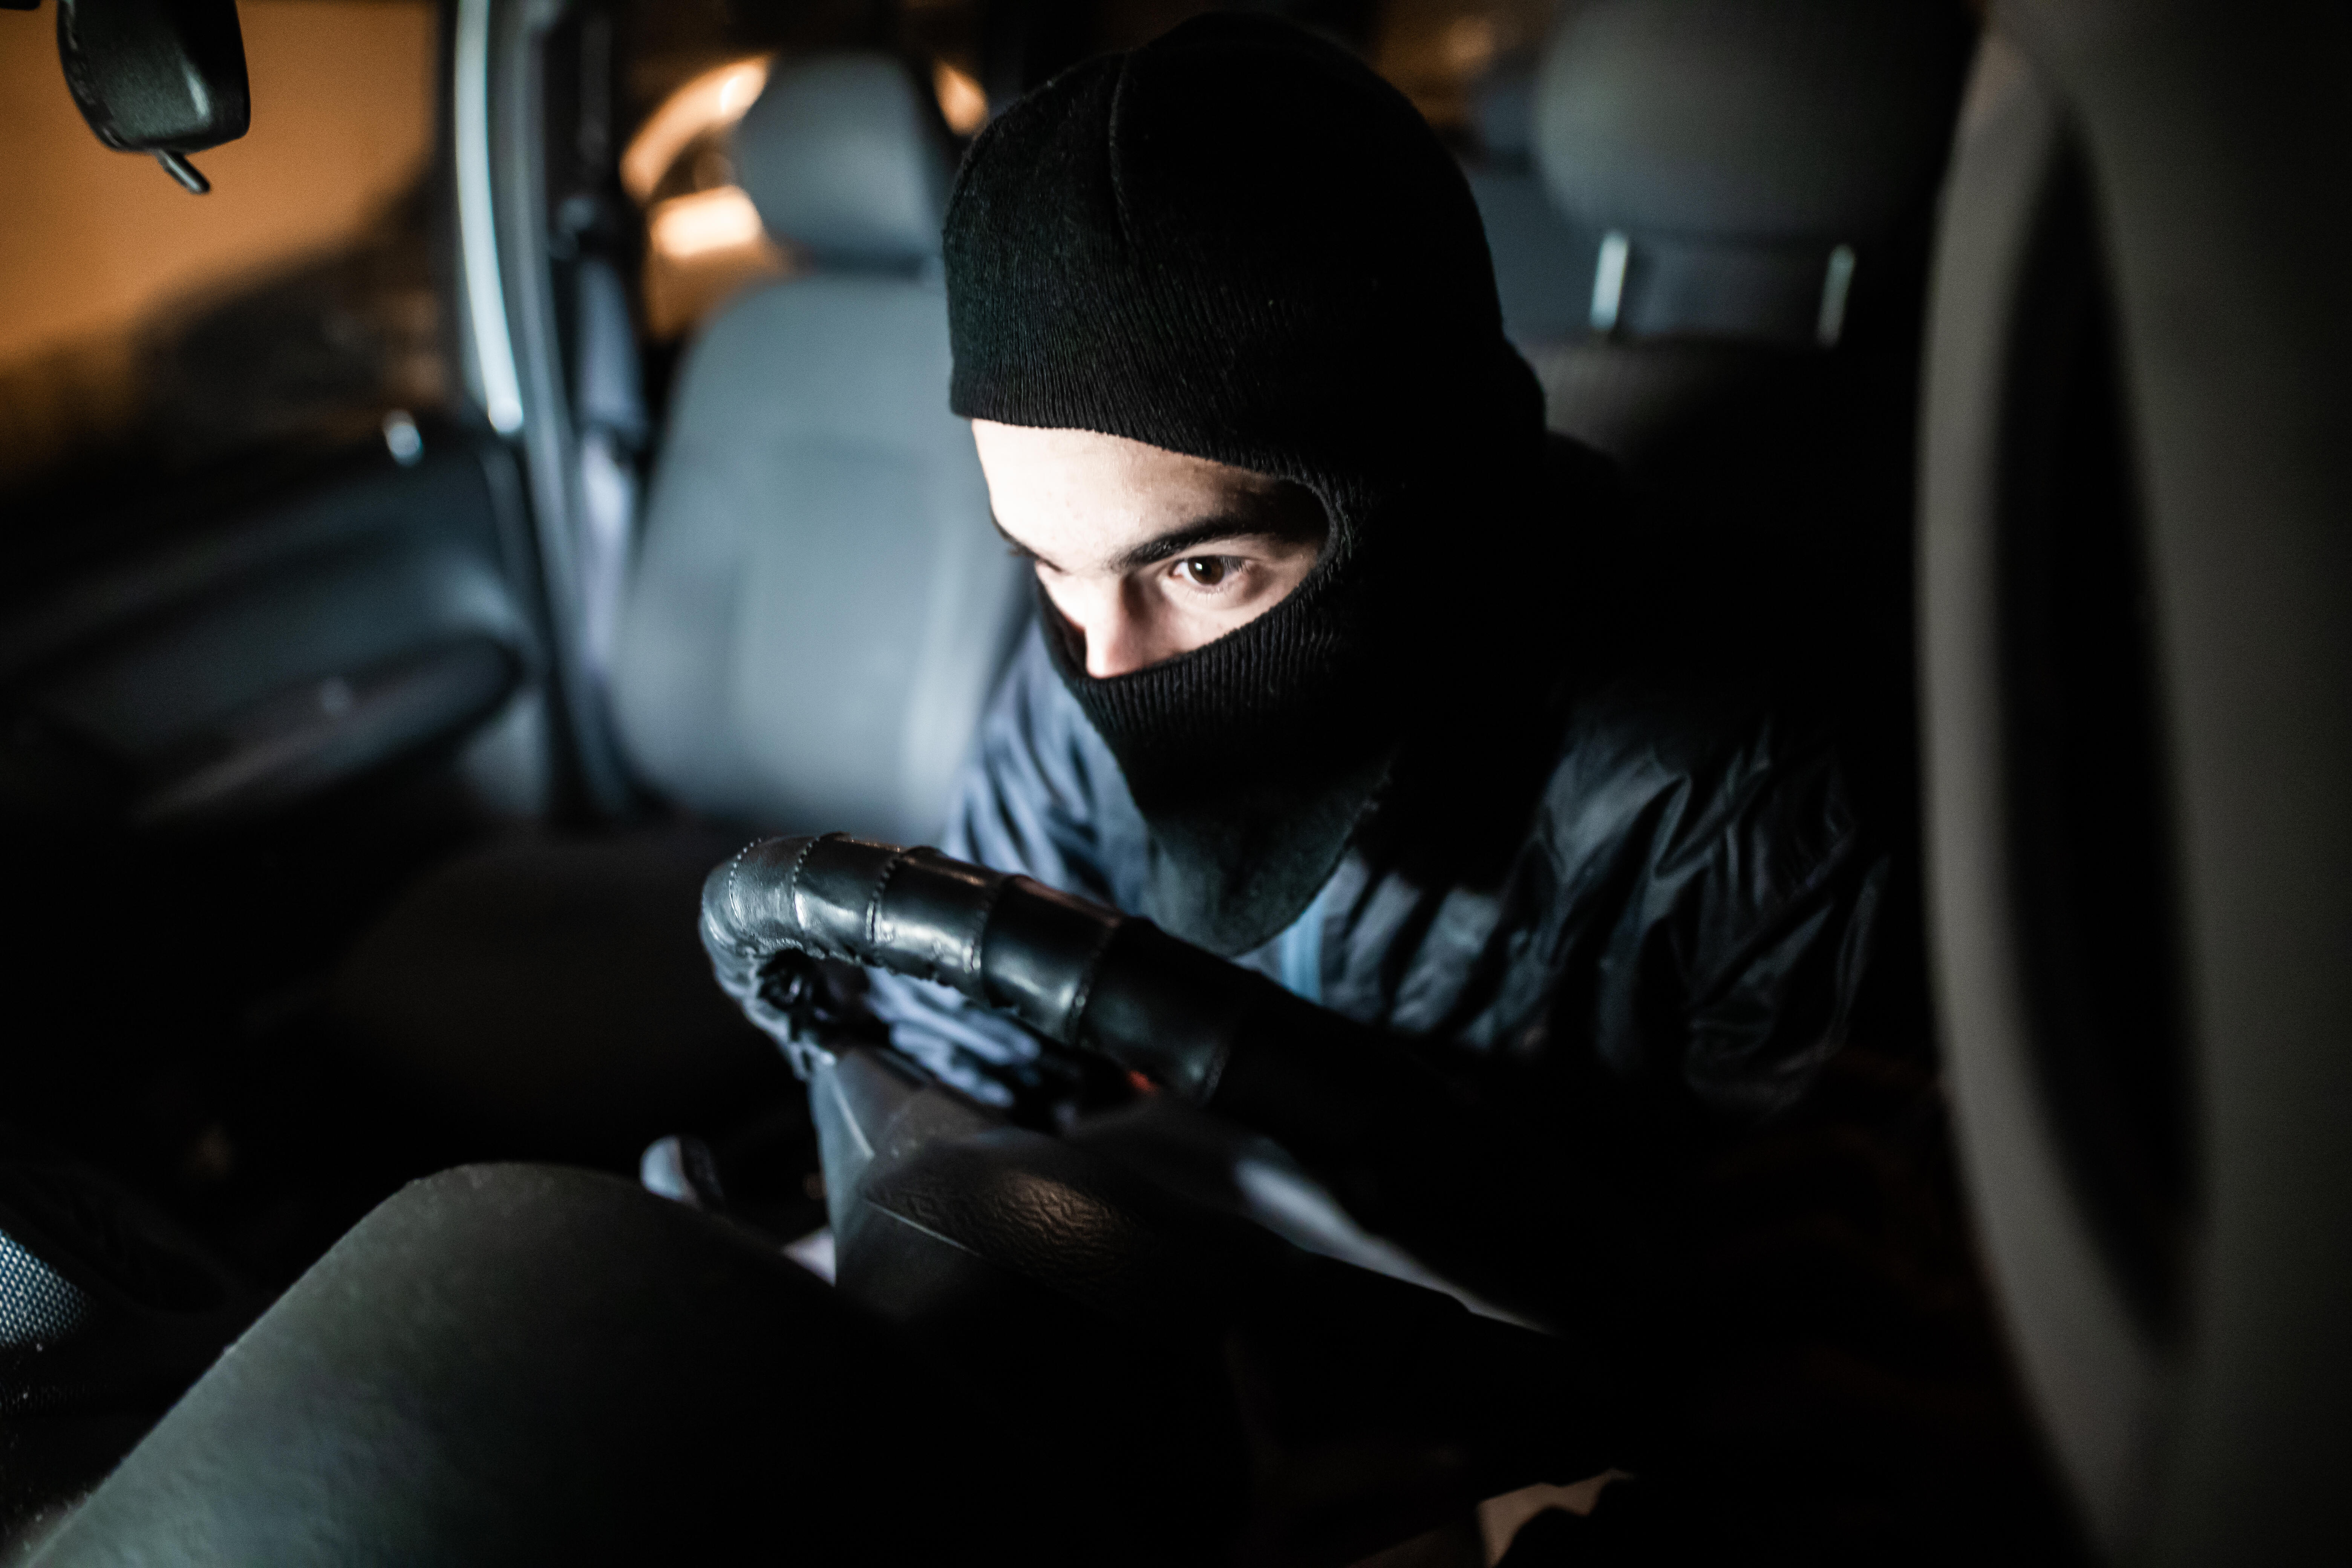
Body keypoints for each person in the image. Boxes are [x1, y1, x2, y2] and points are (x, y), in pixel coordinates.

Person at [858, 12, 1884, 1176]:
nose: (1103, 673)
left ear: (1411, 499)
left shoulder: (1743, 788)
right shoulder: (1094, 656)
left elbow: (1802, 1250)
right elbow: (955, 1049)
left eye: (1202, 569)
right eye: (1045, 564)